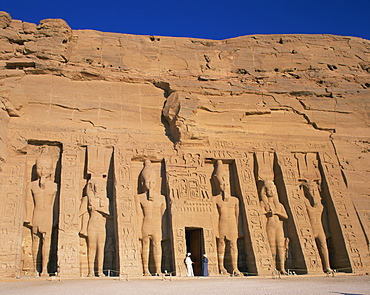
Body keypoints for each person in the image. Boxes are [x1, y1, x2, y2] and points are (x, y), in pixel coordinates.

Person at [24, 150, 57, 277]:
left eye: (46, 168)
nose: (43, 171)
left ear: (51, 170)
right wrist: (28, 218)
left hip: (48, 215)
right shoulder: (31, 185)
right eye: (40, 168)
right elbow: (28, 203)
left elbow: (55, 204)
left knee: (47, 241)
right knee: (35, 241)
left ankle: (44, 269)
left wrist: (55, 219)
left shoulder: (54, 186)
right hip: (36, 214)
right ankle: (34, 268)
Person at [136, 160, 166, 276]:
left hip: (157, 225)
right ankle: (145, 270)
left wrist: (165, 230)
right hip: (145, 224)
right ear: (143, 183)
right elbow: (139, 215)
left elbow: (164, 215)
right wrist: (138, 231)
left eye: (152, 182)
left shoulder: (161, 198)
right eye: (148, 182)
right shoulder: (139, 198)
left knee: (157, 246)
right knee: (145, 246)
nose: (150, 185)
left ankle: (158, 269)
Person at [213, 160, 241, 275]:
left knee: (234, 245)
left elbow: (237, 215)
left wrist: (240, 230)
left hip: (232, 224)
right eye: (222, 184)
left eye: (226, 184)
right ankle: (221, 267)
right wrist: (215, 230)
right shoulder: (215, 199)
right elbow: (215, 216)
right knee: (221, 244)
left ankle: (235, 268)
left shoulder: (235, 200)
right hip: (221, 224)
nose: (224, 186)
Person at [301, 181, 333, 273]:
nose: (313, 192)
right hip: (310, 229)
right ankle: (315, 267)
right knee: (312, 248)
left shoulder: (320, 204)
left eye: (315, 190)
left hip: (320, 229)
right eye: (311, 190)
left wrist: (327, 231)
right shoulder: (304, 202)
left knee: (324, 246)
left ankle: (327, 266)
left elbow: (325, 219)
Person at [260, 180, 288, 274]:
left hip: (278, 226)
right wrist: (267, 213)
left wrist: (276, 212)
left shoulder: (279, 205)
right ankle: (273, 268)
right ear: (265, 191)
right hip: (270, 226)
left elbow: (286, 216)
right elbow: (259, 214)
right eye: (269, 189)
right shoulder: (263, 203)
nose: (271, 191)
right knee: (272, 247)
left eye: (273, 188)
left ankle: (282, 268)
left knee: (281, 246)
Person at [85, 177, 110, 277]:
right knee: (91, 248)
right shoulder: (89, 199)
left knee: (101, 248)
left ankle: (100, 271)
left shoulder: (105, 200)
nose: (98, 190)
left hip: (101, 226)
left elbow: (107, 212)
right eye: (96, 188)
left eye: (100, 188)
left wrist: (96, 207)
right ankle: (90, 271)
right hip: (92, 225)